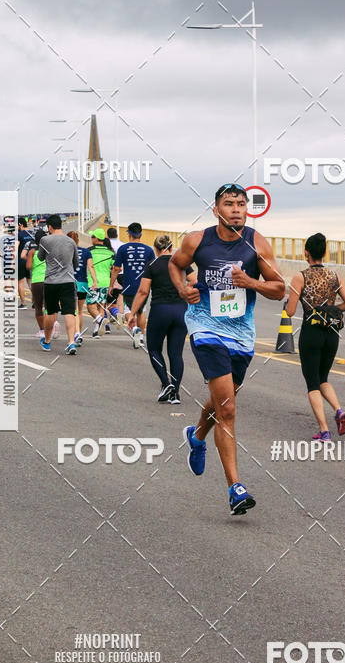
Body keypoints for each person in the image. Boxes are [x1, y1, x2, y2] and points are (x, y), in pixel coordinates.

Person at [169, 183, 285, 516]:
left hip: (241, 334)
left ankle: (196, 434)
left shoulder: (256, 242)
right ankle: (236, 487)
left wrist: (251, 283)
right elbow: (175, 265)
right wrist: (182, 290)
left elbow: (279, 289)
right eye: (229, 203)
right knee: (229, 410)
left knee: (226, 397)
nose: (236, 209)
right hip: (205, 328)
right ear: (216, 209)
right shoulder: (197, 240)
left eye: (241, 204)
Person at [285, 232, 345, 440]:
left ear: (306, 252)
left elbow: (289, 311)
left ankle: (324, 430)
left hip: (311, 332)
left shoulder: (300, 277)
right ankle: (339, 410)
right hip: (331, 333)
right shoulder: (335, 276)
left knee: (312, 383)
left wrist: (313, 311)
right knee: (323, 377)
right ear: (324, 252)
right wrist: (330, 311)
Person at [128, 235, 197, 404]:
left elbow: (143, 292)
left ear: (156, 249)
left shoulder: (152, 265)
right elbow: (195, 280)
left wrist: (132, 313)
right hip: (181, 310)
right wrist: (184, 290)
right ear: (172, 248)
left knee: (154, 349)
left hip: (160, 310)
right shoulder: (182, 263)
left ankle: (166, 384)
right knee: (175, 353)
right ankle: (176, 394)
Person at [37, 214, 79, 355]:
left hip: (51, 282)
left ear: (49, 227)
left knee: (50, 311)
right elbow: (76, 263)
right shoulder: (71, 241)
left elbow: (40, 257)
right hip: (68, 281)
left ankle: (47, 342)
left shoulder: (45, 240)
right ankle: (71, 342)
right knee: (69, 312)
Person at [112, 223, 155, 348]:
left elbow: (116, 268)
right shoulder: (149, 250)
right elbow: (153, 268)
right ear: (140, 234)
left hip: (128, 285)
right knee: (141, 311)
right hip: (144, 286)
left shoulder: (123, 249)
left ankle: (135, 328)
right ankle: (140, 337)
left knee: (128, 310)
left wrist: (111, 284)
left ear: (129, 234)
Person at [68, 230, 96, 345]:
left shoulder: (66, 252)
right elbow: (91, 267)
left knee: (73, 311)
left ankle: (77, 333)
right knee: (79, 311)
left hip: (70, 282)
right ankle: (78, 334)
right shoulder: (86, 252)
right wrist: (94, 281)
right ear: (78, 240)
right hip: (83, 284)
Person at [86, 229, 115, 338]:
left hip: (93, 282)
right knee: (101, 307)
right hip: (105, 282)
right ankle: (96, 332)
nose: (91, 239)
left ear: (96, 238)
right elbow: (114, 268)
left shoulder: (89, 251)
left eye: (92, 237)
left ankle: (101, 320)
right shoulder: (111, 252)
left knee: (90, 306)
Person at [23, 229, 47, 338]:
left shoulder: (33, 251)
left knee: (37, 307)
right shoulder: (49, 251)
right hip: (49, 280)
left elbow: (28, 266)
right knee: (49, 306)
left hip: (37, 280)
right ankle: (52, 325)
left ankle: (42, 330)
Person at [17, 217, 33, 309]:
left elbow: (16, 247)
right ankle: (35, 302)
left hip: (21, 260)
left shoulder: (19, 234)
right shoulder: (33, 233)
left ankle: (23, 303)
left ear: (20, 225)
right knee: (30, 282)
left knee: (20, 282)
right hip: (31, 259)